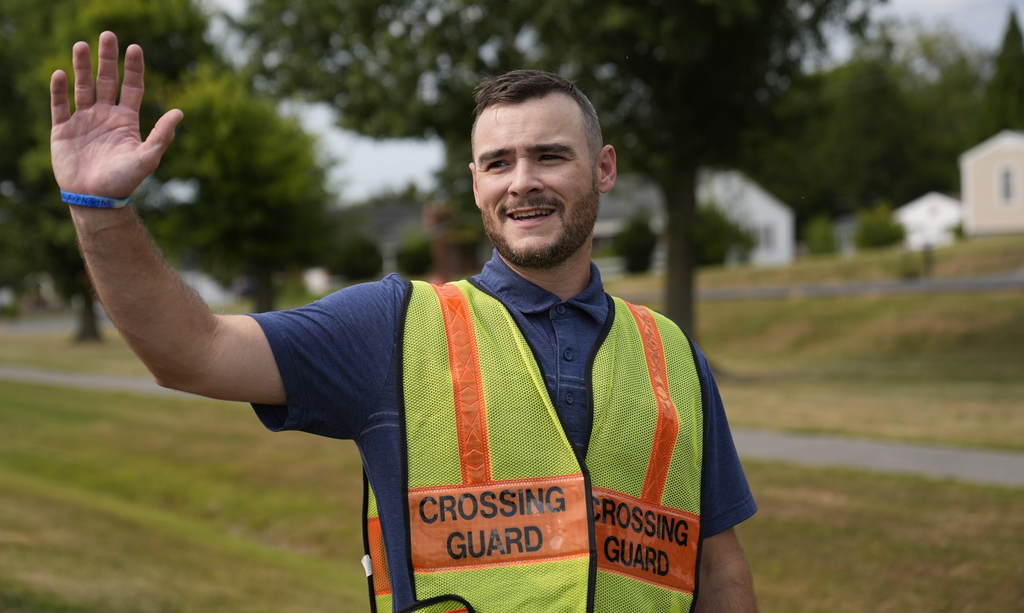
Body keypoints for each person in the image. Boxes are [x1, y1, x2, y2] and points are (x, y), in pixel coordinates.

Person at [50, 31, 758, 613]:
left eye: (550, 155)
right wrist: (98, 209)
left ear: (603, 169)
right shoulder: (391, 327)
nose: (523, 181)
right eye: (499, 162)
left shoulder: (671, 355)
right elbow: (191, 352)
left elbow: (717, 569)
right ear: (475, 183)